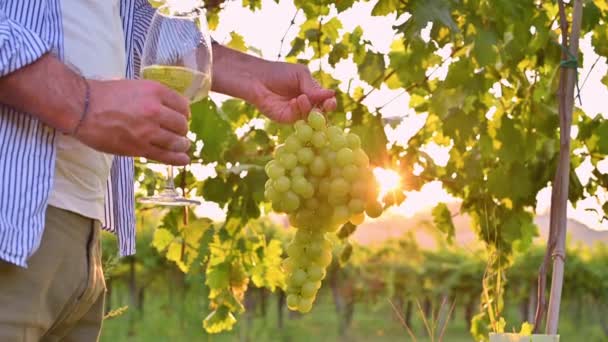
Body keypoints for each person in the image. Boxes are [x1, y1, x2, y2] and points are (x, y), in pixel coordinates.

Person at [0, 0, 336, 340]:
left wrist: (254, 75)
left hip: (82, 239)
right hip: (10, 219)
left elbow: (137, 27)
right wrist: (81, 102)